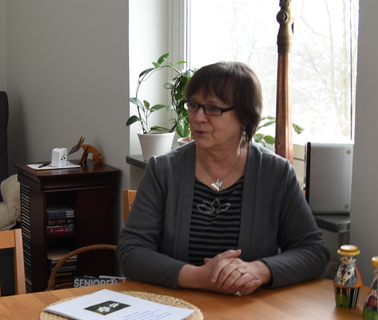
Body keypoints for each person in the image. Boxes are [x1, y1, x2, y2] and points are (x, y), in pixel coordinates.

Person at [119, 61, 329, 295]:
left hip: (250, 316)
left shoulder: (276, 173)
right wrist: (197, 276)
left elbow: (313, 251)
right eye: (194, 105)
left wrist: (260, 270)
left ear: (245, 117)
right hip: (173, 311)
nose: (198, 117)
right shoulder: (164, 171)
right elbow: (131, 252)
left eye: (213, 108)